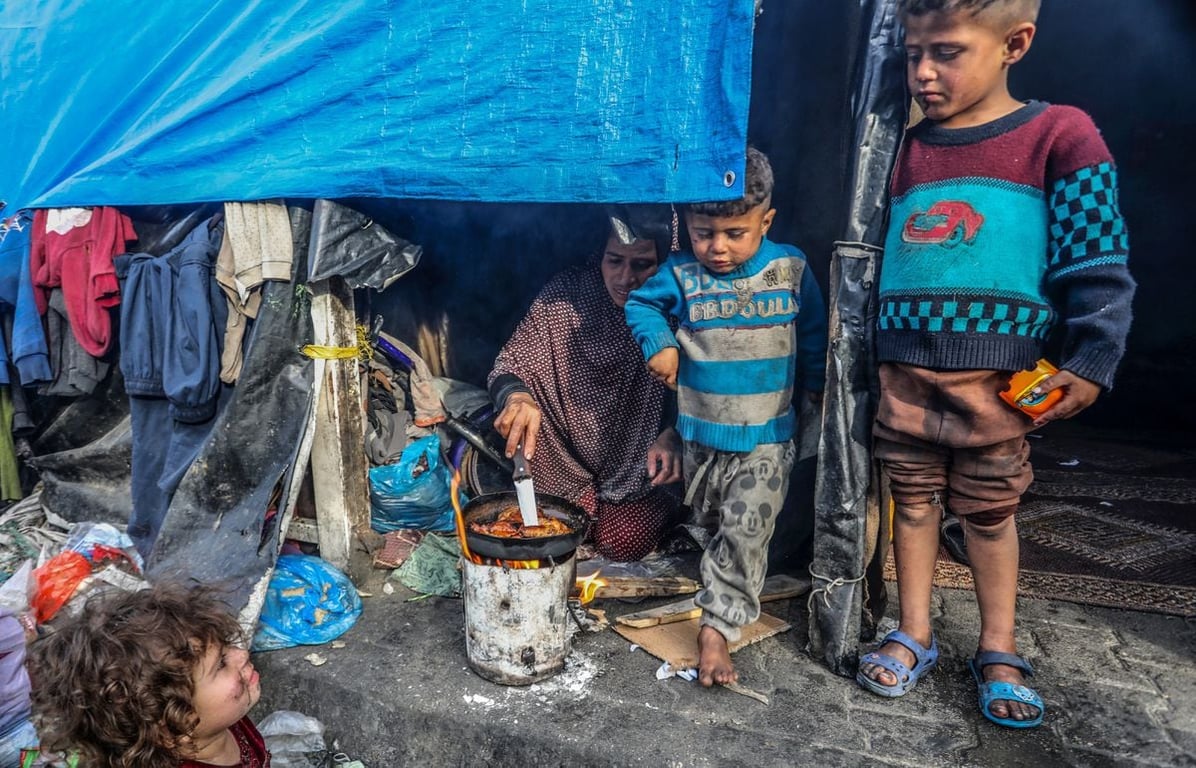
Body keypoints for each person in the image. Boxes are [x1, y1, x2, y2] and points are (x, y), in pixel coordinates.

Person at [856, 0, 1135, 730]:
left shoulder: (1059, 135)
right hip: (904, 370)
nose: (921, 72)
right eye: (912, 52)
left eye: (946, 52)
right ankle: (914, 632)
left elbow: (1098, 258)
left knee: (989, 510)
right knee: (910, 502)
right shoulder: (896, 148)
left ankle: (999, 646)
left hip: (997, 383)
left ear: (1016, 43)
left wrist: (1092, 354)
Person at [623, 147, 828, 687]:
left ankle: (716, 628)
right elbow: (641, 306)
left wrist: (819, 389)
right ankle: (720, 585)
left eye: (735, 233)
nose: (717, 247)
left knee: (744, 530)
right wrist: (660, 345)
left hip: (767, 433)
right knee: (712, 522)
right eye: (702, 232)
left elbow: (812, 336)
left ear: (766, 221)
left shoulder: (790, 268)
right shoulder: (679, 273)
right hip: (701, 434)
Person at [487, 207, 684, 562]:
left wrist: (675, 432)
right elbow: (511, 362)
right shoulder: (566, 295)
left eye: (641, 265)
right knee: (550, 531)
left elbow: (710, 386)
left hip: (641, 463)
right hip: (562, 461)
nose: (625, 278)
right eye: (614, 261)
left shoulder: (678, 304)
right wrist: (517, 397)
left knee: (622, 541)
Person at [26, 584, 269, 767]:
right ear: (170, 725)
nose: (242, 653)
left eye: (226, 646)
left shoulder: (217, 721)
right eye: (221, 664)